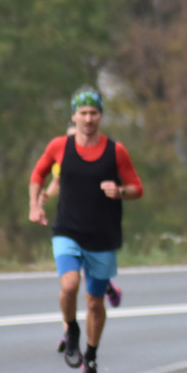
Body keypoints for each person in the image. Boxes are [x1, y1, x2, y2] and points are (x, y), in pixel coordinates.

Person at [29, 86, 144, 373]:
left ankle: (90, 359)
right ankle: (71, 331)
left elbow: (136, 187)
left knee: (95, 302)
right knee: (69, 284)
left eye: (94, 113)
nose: (89, 118)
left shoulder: (115, 151)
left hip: (103, 237)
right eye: (83, 113)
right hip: (67, 231)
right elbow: (38, 175)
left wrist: (119, 191)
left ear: (100, 116)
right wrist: (34, 206)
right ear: (74, 116)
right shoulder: (59, 146)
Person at [44, 124, 124, 309]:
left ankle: (107, 286)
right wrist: (47, 195)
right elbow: (57, 182)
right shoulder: (62, 158)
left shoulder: (103, 158)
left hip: (96, 221)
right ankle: (71, 329)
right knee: (72, 269)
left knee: (91, 264)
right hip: (71, 220)